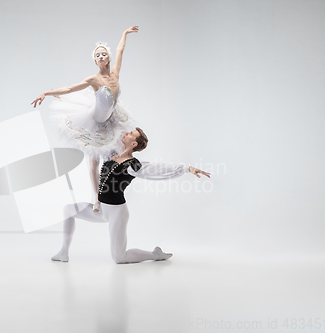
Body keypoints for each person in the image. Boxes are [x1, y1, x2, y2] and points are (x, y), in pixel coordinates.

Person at [51, 128, 211, 264]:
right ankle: (63, 253)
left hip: (116, 213)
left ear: (133, 144)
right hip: (99, 209)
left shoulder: (133, 166)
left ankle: (155, 254)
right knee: (68, 210)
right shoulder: (111, 154)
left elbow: (158, 168)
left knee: (119, 258)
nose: (126, 132)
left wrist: (186, 168)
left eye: (130, 134)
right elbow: (98, 137)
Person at [31, 26, 139, 213]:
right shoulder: (93, 79)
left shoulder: (115, 74)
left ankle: (118, 188)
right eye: (97, 55)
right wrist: (45, 93)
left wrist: (124, 33)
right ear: (95, 61)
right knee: (93, 163)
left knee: (120, 151)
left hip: (111, 118)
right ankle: (97, 198)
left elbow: (120, 50)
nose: (100, 56)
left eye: (103, 54)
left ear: (108, 57)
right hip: (94, 121)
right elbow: (69, 89)